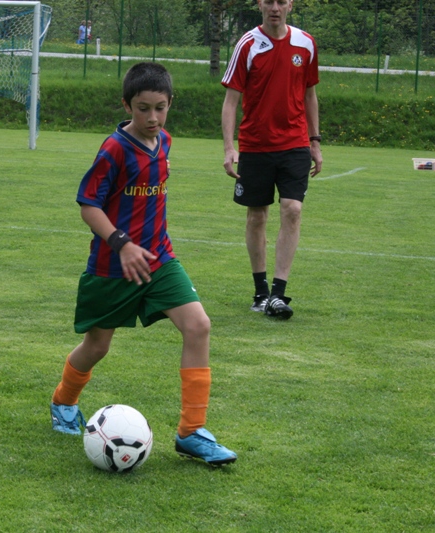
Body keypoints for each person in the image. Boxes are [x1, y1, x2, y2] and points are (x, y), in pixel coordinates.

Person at [49, 62, 237, 467]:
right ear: (126, 105)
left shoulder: (165, 141)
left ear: (170, 104)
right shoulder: (114, 149)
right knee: (97, 346)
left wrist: (144, 245)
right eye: (143, 108)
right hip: (112, 266)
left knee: (199, 325)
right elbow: (88, 205)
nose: (153, 118)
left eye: (160, 108)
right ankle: (63, 401)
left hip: (159, 259)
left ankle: (191, 432)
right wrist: (122, 244)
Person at [221, 0, 322, 320]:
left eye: (280, 1)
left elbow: (310, 95)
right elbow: (231, 101)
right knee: (257, 217)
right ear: (259, 4)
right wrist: (229, 148)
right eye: (268, 1)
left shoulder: (306, 43)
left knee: (293, 209)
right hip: (255, 145)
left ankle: (278, 294)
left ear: (290, 4)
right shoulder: (247, 44)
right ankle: (260, 292)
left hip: (295, 144)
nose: (274, 7)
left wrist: (315, 142)